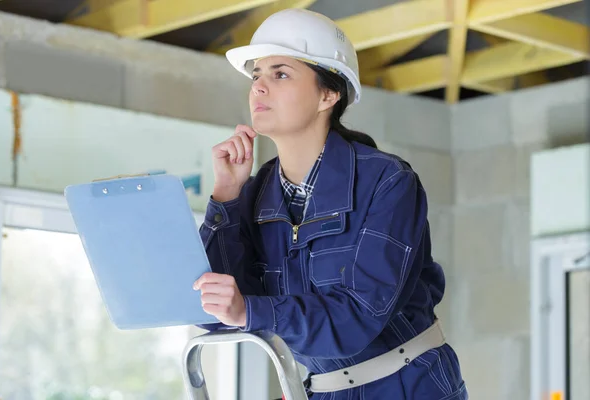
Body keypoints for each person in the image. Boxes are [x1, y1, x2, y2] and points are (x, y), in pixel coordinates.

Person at [193, 8, 468, 400]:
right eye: (256, 75)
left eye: (280, 74)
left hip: (408, 386)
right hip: (325, 391)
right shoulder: (253, 194)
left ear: (329, 94)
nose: (259, 87)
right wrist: (226, 197)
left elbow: (359, 316)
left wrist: (249, 311)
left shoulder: (387, 183)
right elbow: (217, 311)